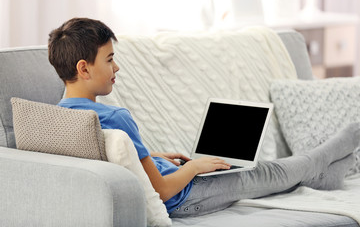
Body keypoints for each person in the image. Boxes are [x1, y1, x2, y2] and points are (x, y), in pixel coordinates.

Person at [48, 17, 358, 218]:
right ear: (83, 68)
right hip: (184, 195)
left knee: (253, 168)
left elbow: (109, 157)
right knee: (265, 173)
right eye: (110, 59)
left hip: (171, 175)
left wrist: (148, 156)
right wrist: (195, 167)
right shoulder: (116, 115)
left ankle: (324, 175)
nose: (116, 69)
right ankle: (329, 154)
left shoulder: (59, 117)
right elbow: (162, 191)